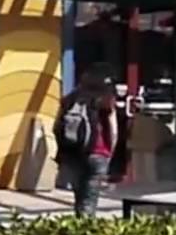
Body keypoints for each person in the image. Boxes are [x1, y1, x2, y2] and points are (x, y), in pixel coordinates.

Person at [54, 74, 126, 218]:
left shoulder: (70, 99)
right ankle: (86, 224)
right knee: (89, 198)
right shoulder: (105, 98)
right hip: (98, 152)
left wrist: (63, 151)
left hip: (74, 152)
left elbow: (57, 127)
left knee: (79, 195)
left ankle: (79, 221)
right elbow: (113, 130)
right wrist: (110, 153)